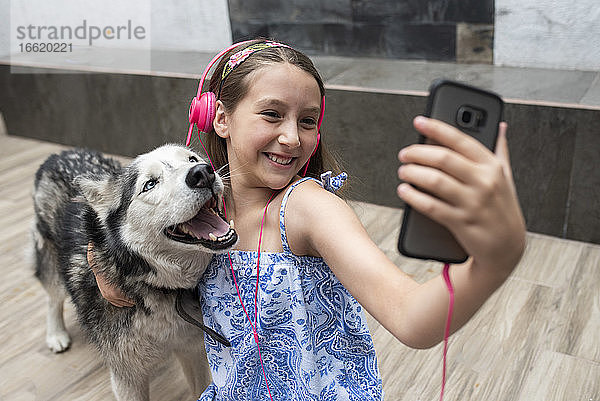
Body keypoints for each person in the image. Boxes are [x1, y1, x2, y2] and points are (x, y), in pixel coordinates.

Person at [90, 39, 526, 400]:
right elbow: (130, 223)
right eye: (272, 113)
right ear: (219, 117)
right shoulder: (205, 213)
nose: (291, 137)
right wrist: (101, 264)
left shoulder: (307, 208)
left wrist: (494, 263)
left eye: (308, 120)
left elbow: (412, 318)